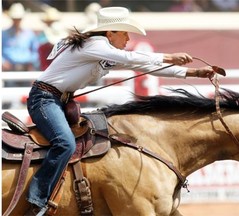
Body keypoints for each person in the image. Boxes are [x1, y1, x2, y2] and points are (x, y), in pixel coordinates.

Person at [24, 7, 215, 215]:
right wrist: (169, 56)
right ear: (110, 33)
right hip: (44, 99)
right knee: (65, 143)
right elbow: (132, 58)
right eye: (124, 32)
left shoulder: (103, 50)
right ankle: (37, 200)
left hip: (57, 101)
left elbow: (144, 67)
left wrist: (192, 72)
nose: (127, 38)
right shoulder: (95, 44)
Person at [2, 3, 39, 74]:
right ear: (11, 18)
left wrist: (32, 62)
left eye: (19, 18)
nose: (17, 21)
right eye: (15, 18)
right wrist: (3, 62)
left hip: (26, 67)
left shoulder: (29, 34)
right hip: (9, 68)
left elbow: (35, 51)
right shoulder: (3, 34)